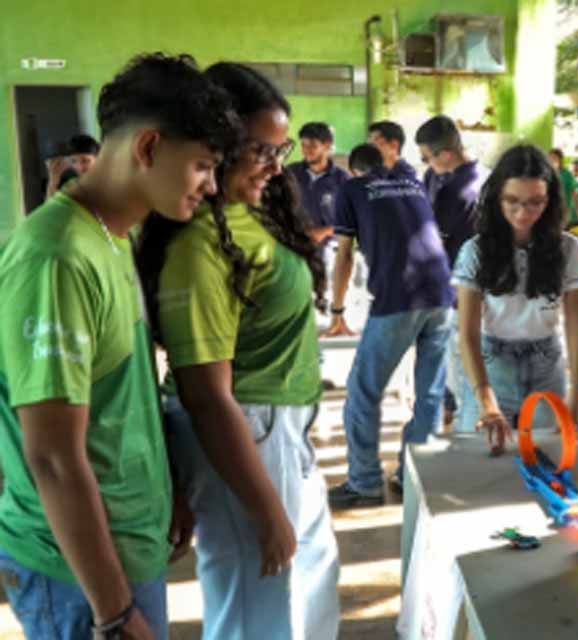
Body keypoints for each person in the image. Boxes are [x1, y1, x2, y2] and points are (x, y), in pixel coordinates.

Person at [0, 53, 239, 640]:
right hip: (76, 576)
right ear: (150, 147)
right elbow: (53, 457)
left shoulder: (113, 236)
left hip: (127, 547)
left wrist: (167, 492)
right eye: (203, 166)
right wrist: (113, 614)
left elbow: (121, 396)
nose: (211, 188)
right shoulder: (56, 257)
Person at [137, 62, 339, 639]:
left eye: (281, 149)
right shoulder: (200, 245)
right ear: (219, 145)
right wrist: (264, 508)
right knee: (259, 610)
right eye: (261, 150)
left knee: (307, 585)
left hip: (281, 425)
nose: (277, 165)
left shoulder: (252, 215)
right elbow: (203, 394)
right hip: (244, 430)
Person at [325, 144, 454, 506]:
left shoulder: (350, 189)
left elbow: (345, 255)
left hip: (399, 299)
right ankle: (414, 477)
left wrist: (336, 311)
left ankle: (364, 481)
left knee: (363, 391)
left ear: (354, 171)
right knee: (429, 392)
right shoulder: (413, 184)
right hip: (442, 297)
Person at [454, 144, 578, 453]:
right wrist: (486, 400)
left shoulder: (569, 249)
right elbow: (467, 334)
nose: (524, 213)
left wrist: (577, 396)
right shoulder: (476, 250)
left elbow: (576, 326)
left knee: (552, 453)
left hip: (547, 363)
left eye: (536, 202)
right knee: (482, 455)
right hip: (492, 362)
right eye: (512, 201)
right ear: (497, 198)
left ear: (550, 201)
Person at [415, 114, 489, 430]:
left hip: (458, 290)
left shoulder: (458, 190)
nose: (426, 165)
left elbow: (432, 243)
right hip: (467, 287)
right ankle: (458, 411)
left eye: (427, 158)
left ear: (445, 154)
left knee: (462, 363)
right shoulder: (481, 176)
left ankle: (466, 422)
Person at [287, 121, 349, 245]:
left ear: (327, 145)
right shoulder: (291, 172)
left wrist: (325, 231)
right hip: (294, 243)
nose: (306, 151)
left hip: (328, 247)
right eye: (303, 145)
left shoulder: (342, 179)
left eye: (313, 146)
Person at [547, 147, 578, 224]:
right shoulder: (545, 173)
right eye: (549, 158)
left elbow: (574, 193)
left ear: (560, 160)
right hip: (548, 209)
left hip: (563, 210)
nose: (551, 160)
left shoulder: (567, 174)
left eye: (554, 158)